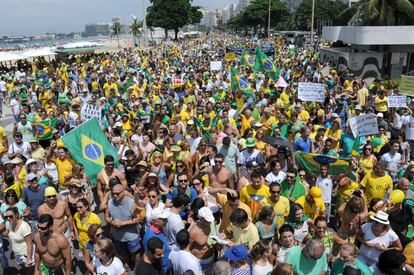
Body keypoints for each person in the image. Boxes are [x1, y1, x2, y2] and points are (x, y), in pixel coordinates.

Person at [105, 181, 141, 270]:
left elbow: (137, 219)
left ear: (123, 192)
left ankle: (137, 267)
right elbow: (106, 217)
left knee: (135, 253)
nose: (115, 196)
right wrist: (112, 223)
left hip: (131, 236)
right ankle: (127, 263)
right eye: (113, 194)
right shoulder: (110, 202)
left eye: (117, 194)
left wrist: (122, 223)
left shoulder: (131, 203)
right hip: (118, 236)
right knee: (123, 252)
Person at [5, 206, 34, 273]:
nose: (9, 218)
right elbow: (7, 233)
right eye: (7, 217)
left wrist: (28, 258)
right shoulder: (8, 224)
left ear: (17, 215)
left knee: (31, 272)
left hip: (26, 255)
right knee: (25, 270)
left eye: (11, 216)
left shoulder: (24, 226)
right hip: (17, 255)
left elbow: (29, 243)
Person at [143, 207, 171, 273]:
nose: (166, 221)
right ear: (155, 222)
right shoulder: (150, 237)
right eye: (164, 219)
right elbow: (150, 258)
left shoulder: (160, 229)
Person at [188, 206, 216, 273]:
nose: (209, 223)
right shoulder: (193, 231)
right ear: (201, 218)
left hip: (211, 258)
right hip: (199, 262)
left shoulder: (211, 224)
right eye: (207, 221)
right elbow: (188, 248)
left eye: (210, 221)